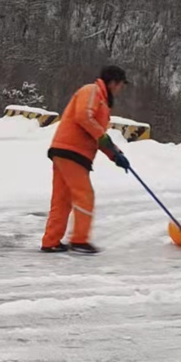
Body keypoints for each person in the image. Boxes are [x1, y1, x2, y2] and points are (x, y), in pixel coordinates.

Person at [41, 65, 130, 255]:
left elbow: (97, 135)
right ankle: (80, 241)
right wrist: (104, 138)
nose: (121, 89)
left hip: (68, 151)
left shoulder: (103, 102)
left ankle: (51, 241)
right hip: (72, 151)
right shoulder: (92, 91)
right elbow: (84, 117)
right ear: (113, 82)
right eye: (121, 85)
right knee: (84, 195)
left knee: (62, 200)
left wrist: (115, 154)